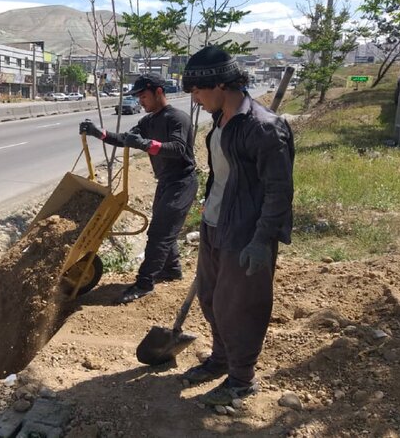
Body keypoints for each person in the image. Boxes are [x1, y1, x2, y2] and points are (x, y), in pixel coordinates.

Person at [178, 46, 295, 407]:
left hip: (245, 233)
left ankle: (242, 379)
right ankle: (220, 359)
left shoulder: (264, 128)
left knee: (240, 307)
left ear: (222, 85)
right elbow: (222, 173)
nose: (195, 100)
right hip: (215, 224)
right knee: (211, 299)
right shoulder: (219, 120)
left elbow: (279, 191)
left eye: (198, 92)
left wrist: (262, 240)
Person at [79, 73, 198, 304]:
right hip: (165, 182)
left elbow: (177, 149)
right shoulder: (149, 121)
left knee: (159, 233)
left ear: (159, 92)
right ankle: (171, 270)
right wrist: (99, 132)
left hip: (182, 183)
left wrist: (145, 144)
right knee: (164, 229)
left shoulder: (178, 118)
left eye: (143, 96)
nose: (141, 101)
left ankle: (144, 283)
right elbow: (126, 138)